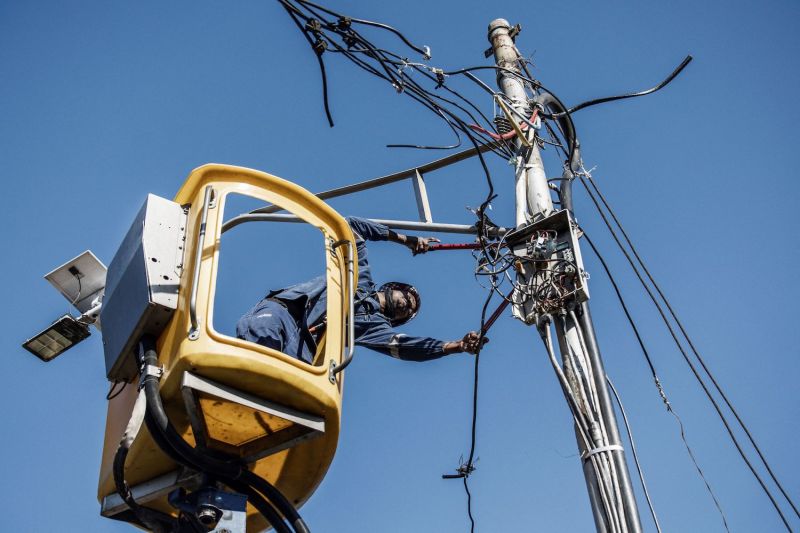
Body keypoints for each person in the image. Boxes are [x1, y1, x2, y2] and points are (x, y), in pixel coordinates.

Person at [236, 216, 487, 364]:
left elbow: (405, 346)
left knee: (283, 391)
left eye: (409, 310)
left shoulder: (375, 327)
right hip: (284, 314)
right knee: (260, 351)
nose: (408, 304)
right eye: (409, 297)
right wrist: (405, 239)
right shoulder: (359, 274)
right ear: (394, 287)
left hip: (306, 348)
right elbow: (351, 227)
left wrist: (456, 346)